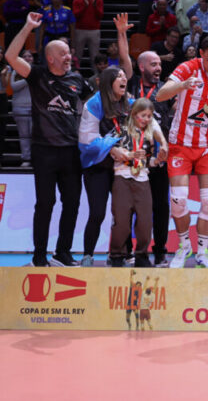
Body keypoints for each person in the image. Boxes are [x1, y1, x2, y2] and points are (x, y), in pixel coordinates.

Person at [5, 12, 89, 267]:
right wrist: (29, 26)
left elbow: (96, 104)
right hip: (44, 151)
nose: (69, 57)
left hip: (71, 151)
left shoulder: (77, 79)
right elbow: (10, 57)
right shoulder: (38, 75)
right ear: (51, 58)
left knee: (72, 203)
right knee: (45, 203)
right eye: (64, 53)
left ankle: (63, 252)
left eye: (69, 53)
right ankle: (39, 255)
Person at [156, 33, 208, 269]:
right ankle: (184, 247)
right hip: (181, 144)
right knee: (178, 199)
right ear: (201, 53)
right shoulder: (187, 68)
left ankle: (202, 251)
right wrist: (182, 85)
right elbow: (160, 94)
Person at [78, 66, 132, 266]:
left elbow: (146, 123)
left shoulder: (130, 103)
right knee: (98, 212)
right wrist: (111, 148)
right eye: (118, 76)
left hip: (122, 166)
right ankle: (88, 254)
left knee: (123, 212)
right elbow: (86, 140)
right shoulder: (94, 103)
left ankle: (120, 254)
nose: (123, 78)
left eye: (124, 76)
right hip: (97, 167)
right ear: (109, 81)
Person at [108, 99, 167, 267]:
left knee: (145, 221)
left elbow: (148, 162)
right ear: (134, 115)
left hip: (142, 180)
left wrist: (159, 160)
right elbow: (111, 150)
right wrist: (129, 154)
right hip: (122, 178)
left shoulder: (149, 136)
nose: (147, 119)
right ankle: (116, 254)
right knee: (122, 222)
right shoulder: (121, 130)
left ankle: (142, 254)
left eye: (149, 116)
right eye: (143, 115)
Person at [127, 50, 172, 265]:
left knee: (160, 206)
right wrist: (121, 34)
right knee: (129, 206)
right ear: (141, 66)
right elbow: (126, 62)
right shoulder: (131, 84)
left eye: (159, 64)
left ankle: (160, 251)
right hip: (131, 157)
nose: (158, 68)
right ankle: (127, 251)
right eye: (153, 64)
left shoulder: (165, 89)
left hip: (158, 158)